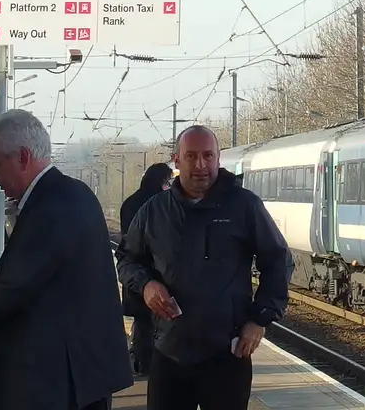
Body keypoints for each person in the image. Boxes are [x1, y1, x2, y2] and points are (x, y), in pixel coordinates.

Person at [0, 109, 133, 410]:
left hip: (62, 381)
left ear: (22, 157)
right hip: (77, 371)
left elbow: (9, 291)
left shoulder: (52, 207)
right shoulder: (71, 194)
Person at [118, 125, 292, 410]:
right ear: (176, 161)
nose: (201, 165)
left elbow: (278, 261)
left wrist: (260, 319)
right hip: (170, 352)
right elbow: (127, 259)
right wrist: (146, 285)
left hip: (228, 353)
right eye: (191, 156)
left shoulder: (244, 206)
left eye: (208, 156)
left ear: (218, 158)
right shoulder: (154, 211)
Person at [118, 162, 174, 376]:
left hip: (136, 277)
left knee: (143, 323)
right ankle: (151, 365)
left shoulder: (130, 202)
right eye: (169, 181)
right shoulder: (159, 205)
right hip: (156, 274)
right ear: (161, 181)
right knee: (157, 324)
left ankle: (142, 363)